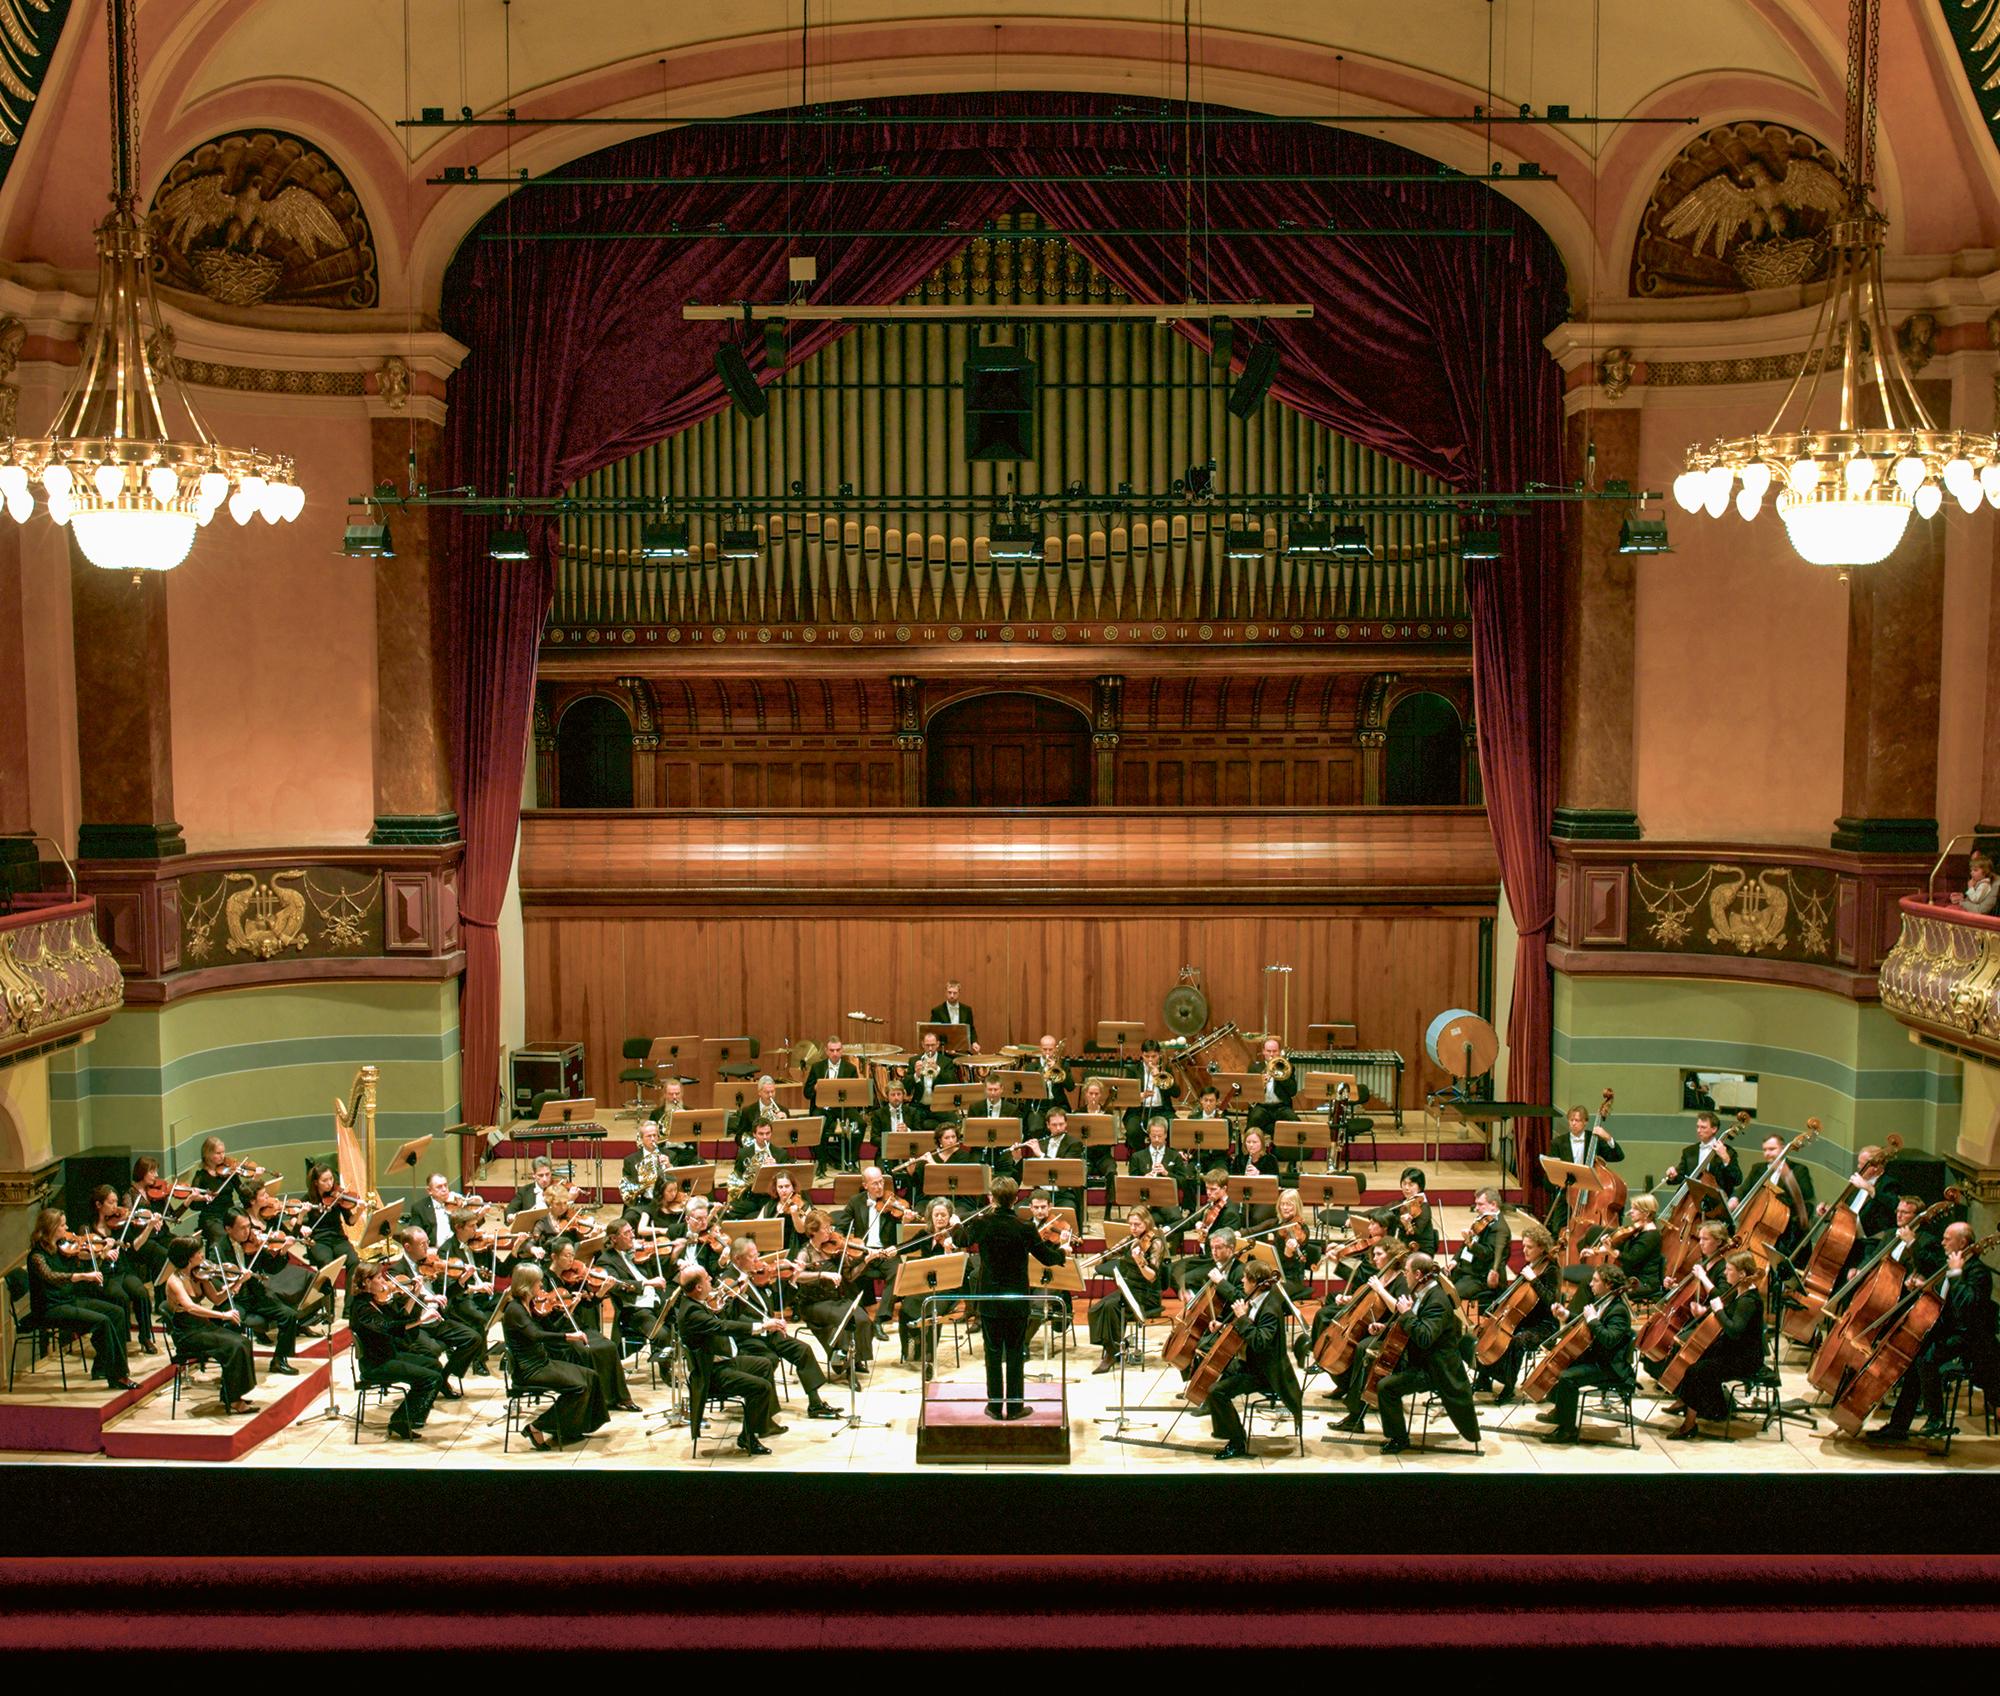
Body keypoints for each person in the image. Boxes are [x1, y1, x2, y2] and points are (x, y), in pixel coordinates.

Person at [1868, 1222, 2000, 1443]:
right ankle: (1899, 1426)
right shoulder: (1947, 1264)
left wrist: (1957, 1273)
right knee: (1913, 1362)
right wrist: (1923, 1286)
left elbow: (1967, 1305)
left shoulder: (1977, 1272)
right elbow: (1942, 1300)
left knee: (1926, 1360)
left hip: (1970, 1336)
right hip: (1947, 1330)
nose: (1942, 1242)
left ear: (1962, 1242)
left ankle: (1936, 1419)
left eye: (1947, 1238)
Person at [954, 1176, 1066, 1419]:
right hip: (1017, 1299)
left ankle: (994, 1407)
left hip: (990, 1298)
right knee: (1015, 1352)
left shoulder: (982, 1224)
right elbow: (1047, 1258)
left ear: (991, 1199)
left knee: (992, 1353)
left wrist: (955, 1224)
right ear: (1016, 1200)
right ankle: (1015, 1408)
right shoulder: (1024, 1227)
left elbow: (960, 1240)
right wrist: (1063, 1253)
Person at [1372, 1252, 1482, 1455]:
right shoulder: (1422, 1294)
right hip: (1421, 1359)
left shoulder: (1437, 1301)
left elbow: (1424, 1337)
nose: (1404, 1276)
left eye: (1406, 1272)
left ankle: (1398, 1439)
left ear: (1418, 1274)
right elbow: (1411, 1327)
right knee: (1372, 1361)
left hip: (1437, 1369)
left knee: (1386, 1387)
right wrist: (1385, 1328)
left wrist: (1405, 1314)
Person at [724, 1236, 844, 1418]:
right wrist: (763, 1325)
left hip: (770, 1332)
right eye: (752, 1258)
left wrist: (794, 1278)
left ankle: (815, 1403)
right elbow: (731, 1317)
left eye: (758, 1256)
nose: (759, 1262)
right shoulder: (729, 1281)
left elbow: (778, 1305)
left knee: (803, 1350)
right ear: (737, 1259)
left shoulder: (757, 1276)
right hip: (748, 1337)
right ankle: (763, 1412)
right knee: (769, 1359)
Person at [1197, 1258, 1303, 1461]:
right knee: (1214, 1369)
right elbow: (1247, 1323)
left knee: (1216, 1391)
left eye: (1245, 1279)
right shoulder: (1257, 1299)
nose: (1242, 1282)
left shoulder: (1271, 1309)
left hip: (1265, 1372)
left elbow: (1260, 1342)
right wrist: (1223, 1325)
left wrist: (1242, 1318)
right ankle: (1225, 1425)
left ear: (1255, 1283)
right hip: (1252, 1363)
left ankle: (1236, 1442)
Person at [675, 1265, 784, 1457]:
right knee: (761, 1387)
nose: (712, 1281)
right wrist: (762, 1326)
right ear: (699, 1287)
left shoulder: (697, 1303)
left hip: (724, 1361)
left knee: (764, 1364)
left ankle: (761, 1425)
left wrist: (740, 1298)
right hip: (712, 1373)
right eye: (708, 1279)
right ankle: (748, 1437)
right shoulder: (692, 1313)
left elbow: (726, 1317)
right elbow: (723, 1326)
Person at [497, 1263, 607, 1451]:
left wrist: (568, 1312)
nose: (541, 1286)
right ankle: (536, 1426)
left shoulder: (532, 1304)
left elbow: (552, 1329)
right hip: (529, 1369)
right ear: (527, 1285)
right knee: (578, 1387)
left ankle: (573, 1428)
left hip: (542, 1362)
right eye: (538, 1283)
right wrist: (569, 1336)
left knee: (591, 1376)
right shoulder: (514, 1309)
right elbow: (535, 1335)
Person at [1658, 1251, 1764, 1440]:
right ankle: (1712, 1408)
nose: (1725, 1273)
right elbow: (1720, 1297)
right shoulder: (1740, 1290)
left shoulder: (1749, 1300)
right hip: (1732, 1350)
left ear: (1741, 1274)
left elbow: (1734, 1330)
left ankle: (1690, 1423)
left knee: (1697, 1371)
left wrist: (1719, 1311)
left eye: (1729, 1270)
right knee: (1694, 1362)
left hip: (1744, 1358)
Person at [25, 1208, 135, 1389]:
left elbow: (84, 1257)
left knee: (116, 1312)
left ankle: (101, 1367)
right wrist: (82, 1276)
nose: (67, 1227)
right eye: (62, 1225)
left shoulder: (64, 1248)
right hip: (49, 1308)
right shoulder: (37, 1256)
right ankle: (117, 1376)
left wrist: (102, 1252)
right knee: (102, 1321)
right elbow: (52, 1276)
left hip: (68, 1300)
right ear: (51, 1227)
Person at [1538, 1266, 1637, 1445]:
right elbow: (1586, 1324)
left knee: (1567, 1377)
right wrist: (1565, 1314)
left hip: (1609, 1367)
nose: (1590, 1284)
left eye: (1596, 1280)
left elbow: (1608, 1340)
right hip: (1598, 1358)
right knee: (1562, 1360)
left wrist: (1592, 1319)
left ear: (1608, 1284)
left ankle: (1567, 1430)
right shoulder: (1604, 1301)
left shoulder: (1619, 1311)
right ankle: (1561, 1412)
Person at [348, 1261, 445, 1441]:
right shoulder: (362, 1309)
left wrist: (414, 1293)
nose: (384, 1282)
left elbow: (399, 1318)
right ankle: (400, 1421)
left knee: (434, 1365)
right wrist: (421, 1320)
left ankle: (413, 1417)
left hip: (389, 1356)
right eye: (378, 1278)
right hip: (377, 1364)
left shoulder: (374, 1302)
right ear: (367, 1283)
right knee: (432, 1378)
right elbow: (389, 1328)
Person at [1467, 1221, 1562, 1402]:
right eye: (1524, 1246)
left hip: (1543, 1324)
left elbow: (1551, 1301)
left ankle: (1509, 1386)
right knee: (1486, 1333)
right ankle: (1484, 1378)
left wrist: (1534, 1280)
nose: (1524, 1251)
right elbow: (1514, 1295)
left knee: (1517, 1341)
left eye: (1530, 1247)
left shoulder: (1550, 1269)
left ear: (1542, 1248)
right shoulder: (1531, 1265)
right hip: (1521, 1319)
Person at [161, 1237, 257, 1412]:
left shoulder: (199, 1275)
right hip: (187, 1332)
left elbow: (217, 1298)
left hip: (203, 1326)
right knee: (233, 1346)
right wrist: (223, 1316)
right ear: (188, 1258)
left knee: (243, 1342)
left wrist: (238, 1282)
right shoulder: (174, 1281)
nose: (202, 1255)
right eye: (198, 1253)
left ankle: (233, 1394)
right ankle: (233, 1400)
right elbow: (190, 1307)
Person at [793, 1208, 877, 1376]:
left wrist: (865, 1261)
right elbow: (798, 1276)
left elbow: (850, 1276)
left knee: (863, 1319)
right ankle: (843, 1364)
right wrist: (823, 1274)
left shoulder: (834, 1251)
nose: (830, 1232)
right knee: (844, 1321)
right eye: (826, 1228)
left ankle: (856, 1359)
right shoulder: (805, 1253)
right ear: (813, 1231)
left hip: (836, 1300)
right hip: (813, 1304)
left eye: (830, 1227)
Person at [1088, 1208, 1169, 1372]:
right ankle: (1113, 1346)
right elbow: (1110, 1253)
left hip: (1147, 1293)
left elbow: (1152, 1276)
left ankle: (1111, 1353)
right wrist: (1088, 1261)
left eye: (1137, 1224)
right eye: (1130, 1224)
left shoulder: (1156, 1243)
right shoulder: (1132, 1239)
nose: (1133, 1228)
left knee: (1111, 1307)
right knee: (1097, 1308)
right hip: (1130, 1289)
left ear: (1146, 1223)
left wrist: (1140, 1261)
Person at [86, 1185, 158, 1354]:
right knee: (121, 1297)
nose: (116, 1207)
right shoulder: (87, 1229)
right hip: (105, 1275)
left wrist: (149, 1226)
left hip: (122, 1270)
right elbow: (85, 1257)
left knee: (141, 1292)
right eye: (111, 1202)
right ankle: (122, 1340)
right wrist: (104, 1252)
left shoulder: (119, 1225)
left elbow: (134, 1247)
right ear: (98, 1205)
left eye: (116, 1202)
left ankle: (145, 1337)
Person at [1546, 1101, 1624, 1234]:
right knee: (1557, 1230)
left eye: (1577, 1120)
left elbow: (1618, 1156)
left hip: (1590, 1194)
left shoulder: (1594, 1139)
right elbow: (1550, 1172)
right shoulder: (1558, 1143)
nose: (1573, 1123)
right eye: (1571, 1120)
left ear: (1585, 1122)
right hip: (1567, 1194)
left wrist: (1608, 1138)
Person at [1742, 1133, 1816, 1257]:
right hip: (1759, 1229)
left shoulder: (1798, 1170)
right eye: (1765, 1150)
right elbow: (1743, 1190)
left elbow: (1807, 1201)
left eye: (1772, 1149)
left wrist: (1789, 1179)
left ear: (1783, 1148)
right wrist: (1734, 1198)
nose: (1767, 1153)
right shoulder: (1757, 1168)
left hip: (1787, 1234)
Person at [1171, 1170, 1243, 1297]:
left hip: (1217, 1260)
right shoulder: (1212, 1204)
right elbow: (1191, 1220)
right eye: (1207, 1188)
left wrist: (1207, 1233)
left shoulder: (1230, 1212)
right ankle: (1193, 1300)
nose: (1209, 1192)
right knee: (1171, 1270)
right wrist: (1167, 1228)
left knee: (1185, 1279)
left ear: (1224, 1188)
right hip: (1206, 1256)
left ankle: (1202, 1305)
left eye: (1213, 1189)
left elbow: (1227, 1242)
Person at [804, 1038, 865, 1173]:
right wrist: (815, 1087)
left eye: (838, 1050)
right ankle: (822, 1161)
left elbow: (855, 1093)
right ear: (827, 1051)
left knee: (860, 1123)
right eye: (832, 1050)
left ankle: (851, 1159)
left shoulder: (850, 1069)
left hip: (844, 1108)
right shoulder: (817, 1067)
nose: (835, 1053)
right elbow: (806, 1093)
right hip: (823, 1108)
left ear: (842, 1051)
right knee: (817, 1124)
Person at [1662, 1113, 1741, 1213]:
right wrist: (1673, 1175)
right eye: (1698, 1127)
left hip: (1716, 1204)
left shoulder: (1728, 1152)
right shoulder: (1689, 1152)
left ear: (1714, 1129)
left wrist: (1725, 1158)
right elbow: (1681, 1176)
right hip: (1690, 1200)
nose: (1699, 1131)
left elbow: (1737, 1180)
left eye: (1703, 1127)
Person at [1450, 1189, 1511, 1308]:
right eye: (1476, 1203)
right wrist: (1455, 1260)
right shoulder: (1483, 1220)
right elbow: (1465, 1245)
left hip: (1482, 1277)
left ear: (1493, 1205)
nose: (1476, 1208)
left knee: (1452, 1294)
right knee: (1439, 1282)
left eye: (1480, 1204)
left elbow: (1487, 1254)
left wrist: (1471, 1243)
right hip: (1467, 1270)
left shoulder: (1500, 1228)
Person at [1129, 1115, 1192, 1226]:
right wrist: (1144, 1179)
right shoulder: (1137, 1157)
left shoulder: (1175, 1156)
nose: (1157, 1140)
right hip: (1144, 1199)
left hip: (1166, 1199)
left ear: (1166, 1135)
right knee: (1135, 1218)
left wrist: (1167, 1173)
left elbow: (1183, 1182)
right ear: (1149, 1135)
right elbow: (1131, 1184)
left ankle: (1174, 1244)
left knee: (1177, 1218)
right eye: (1154, 1136)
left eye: (1160, 1136)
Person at [1244, 1036, 1298, 1139]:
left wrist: (1280, 1076)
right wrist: (1260, 1084)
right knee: (1252, 1122)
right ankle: (1247, 1152)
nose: (1272, 1054)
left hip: (1281, 1107)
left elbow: (1293, 1092)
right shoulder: (1254, 1068)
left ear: (1279, 1052)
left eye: (1274, 1051)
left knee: (1295, 1123)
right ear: (1263, 1051)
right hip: (1261, 1107)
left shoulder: (1286, 1067)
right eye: (1268, 1051)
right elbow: (1248, 1093)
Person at [1377, 1168, 1439, 1255]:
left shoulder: (1424, 1206)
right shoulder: (1403, 1202)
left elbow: (1416, 1232)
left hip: (1420, 1250)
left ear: (1420, 1187)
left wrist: (1407, 1224)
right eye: (1404, 1183)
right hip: (1405, 1246)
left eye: (1411, 1184)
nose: (1406, 1188)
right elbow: (1382, 1210)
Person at [900, 1031, 957, 1113]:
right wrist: (916, 1075)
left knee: (952, 1122)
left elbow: (952, 1082)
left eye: (933, 1045)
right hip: (918, 1107)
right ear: (923, 1044)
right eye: (927, 1045)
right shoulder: (914, 1061)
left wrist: (937, 1069)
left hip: (940, 1107)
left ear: (938, 1044)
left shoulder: (946, 1061)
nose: (930, 1048)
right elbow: (906, 1087)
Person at [930, 980, 979, 1051]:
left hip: (962, 1049)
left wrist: (974, 1042)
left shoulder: (967, 1010)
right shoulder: (937, 1011)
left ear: (959, 993)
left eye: (955, 993)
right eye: (949, 992)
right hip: (944, 1051)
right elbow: (934, 1032)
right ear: (945, 992)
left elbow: (970, 1028)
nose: (952, 995)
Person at [1954, 849, 1997, 915]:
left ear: (1985, 872)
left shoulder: (1984, 885)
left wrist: (1971, 887)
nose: (1971, 873)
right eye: (1971, 870)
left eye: (1975, 870)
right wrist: (1962, 897)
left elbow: (1975, 899)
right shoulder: (1978, 882)